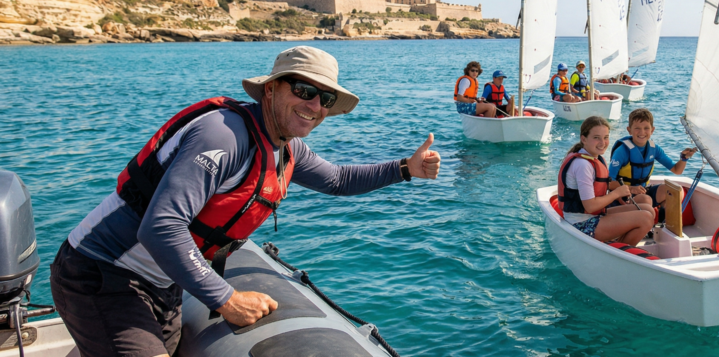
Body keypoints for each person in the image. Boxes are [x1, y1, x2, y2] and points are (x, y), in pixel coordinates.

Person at [49, 46, 441, 357]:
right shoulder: (224, 136)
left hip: (161, 282)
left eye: (325, 98)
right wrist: (227, 299)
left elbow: (337, 179)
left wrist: (406, 168)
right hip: (102, 273)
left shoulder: (288, 149)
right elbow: (161, 226)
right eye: (303, 91)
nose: (315, 106)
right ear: (270, 89)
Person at [556, 116, 657, 246]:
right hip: (581, 224)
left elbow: (601, 184)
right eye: (596, 137)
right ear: (583, 139)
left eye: (606, 137)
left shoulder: (595, 158)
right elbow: (590, 206)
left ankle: (618, 244)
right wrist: (616, 194)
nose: (602, 142)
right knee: (646, 218)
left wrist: (627, 190)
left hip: (594, 216)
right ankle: (618, 253)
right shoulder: (582, 165)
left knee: (649, 210)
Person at [607, 109, 698, 214]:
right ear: (629, 130)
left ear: (652, 130)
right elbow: (609, 184)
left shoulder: (654, 149)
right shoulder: (622, 151)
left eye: (646, 128)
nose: (642, 132)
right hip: (623, 196)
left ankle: (662, 223)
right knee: (646, 200)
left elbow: (677, 170)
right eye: (637, 128)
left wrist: (683, 158)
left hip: (643, 191)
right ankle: (647, 223)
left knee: (675, 191)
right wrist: (631, 189)